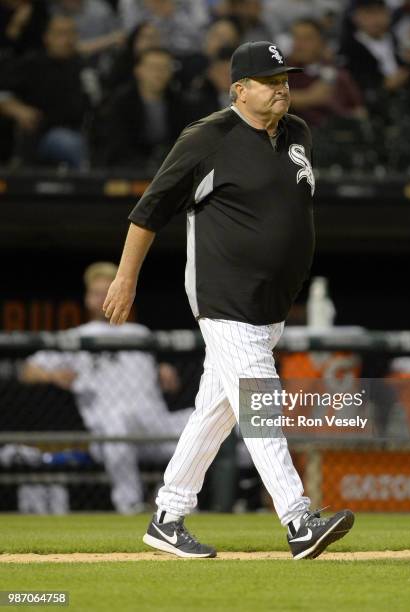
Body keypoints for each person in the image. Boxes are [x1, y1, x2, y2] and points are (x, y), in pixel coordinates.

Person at [103, 40, 355, 559]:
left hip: (271, 305)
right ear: (240, 89)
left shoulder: (298, 133)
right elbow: (148, 212)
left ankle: (168, 516)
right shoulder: (208, 138)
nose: (282, 86)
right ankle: (297, 519)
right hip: (225, 299)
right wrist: (125, 279)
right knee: (260, 404)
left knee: (216, 411)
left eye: (285, 77)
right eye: (270, 79)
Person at [21, 262, 190, 515]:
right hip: (109, 435)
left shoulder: (139, 333)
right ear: (87, 299)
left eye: (107, 290)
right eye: (96, 292)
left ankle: (244, 494)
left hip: (155, 426)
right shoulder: (77, 336)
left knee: (206, 418)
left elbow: (157, 377)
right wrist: (53, 375)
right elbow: (27, 370)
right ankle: (129, 504)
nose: (102, 298)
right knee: (116, 421)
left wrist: (163, 372)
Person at [0, 15, 94, 168]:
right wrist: (17, 109)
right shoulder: (31, 65)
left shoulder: (84, 67)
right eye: (61, 34)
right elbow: (3, 92)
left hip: (83, 132)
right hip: (44, 135)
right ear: (47, 37)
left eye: (72, 33)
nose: (68, 39)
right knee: (69, 143)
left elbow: (97, 101)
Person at [97, 47, 184, 167]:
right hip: (128, 167)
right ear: (138, 70)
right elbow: (116, 144)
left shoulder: (180, 102)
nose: (159, 73)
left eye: (164, 67)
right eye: (153, 67)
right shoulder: (120, 103)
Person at [287, 18, 365, 127]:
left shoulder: (338, 73)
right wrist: (310, 97)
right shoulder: (281, 69)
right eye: (296, 38)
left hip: (339, 134)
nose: (299, 45)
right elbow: (267, 100)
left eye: (307, 39)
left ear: (322, 43)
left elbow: (359, 109)